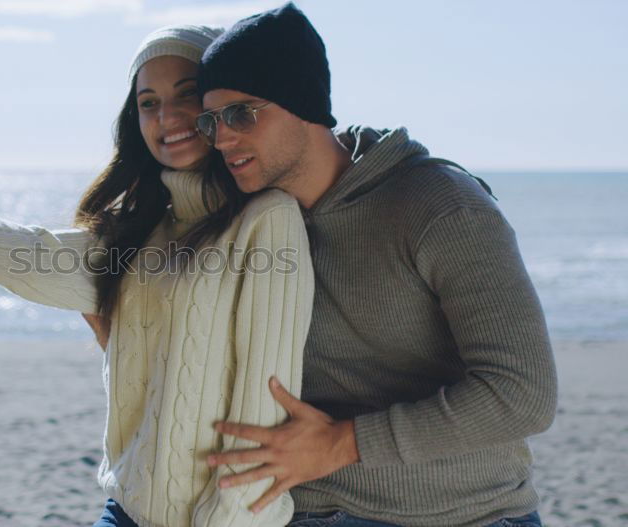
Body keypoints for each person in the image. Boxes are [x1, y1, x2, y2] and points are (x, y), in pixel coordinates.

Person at [0, 25, 315, 527]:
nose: (167, 117)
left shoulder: (268, 219)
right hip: (123, 511)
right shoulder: (141, 228)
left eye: (187, 95)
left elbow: (264, 412)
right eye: (148, 102)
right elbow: (40, 255)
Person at [190, 4, 557, 527]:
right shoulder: (254, 220)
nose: (223, 138)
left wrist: (341, 444)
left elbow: (522, 394)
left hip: (457, 514)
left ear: (304, 105)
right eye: (211, 121)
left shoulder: (439, 204)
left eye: (242, 113)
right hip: (302, 508)